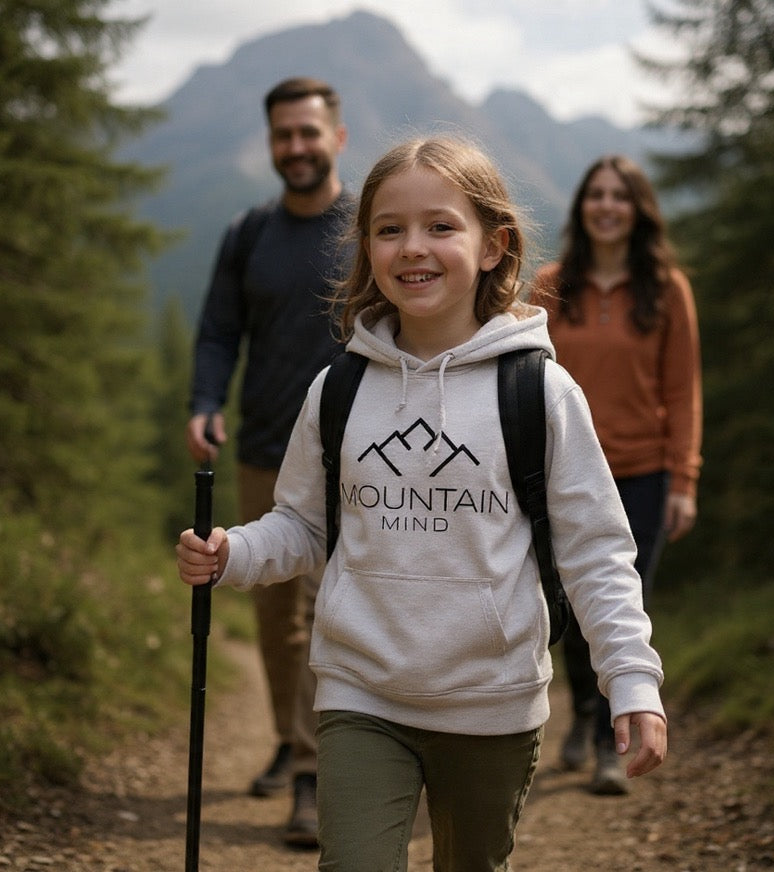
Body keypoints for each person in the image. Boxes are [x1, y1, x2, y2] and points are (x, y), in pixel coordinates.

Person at [177, 136, 668, 871]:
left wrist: (631, 676)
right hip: (359, 693)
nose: (414, 248)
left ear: (495, 245)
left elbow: (595, 549)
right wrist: (235, 553)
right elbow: (304, 524)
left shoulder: (538, 392)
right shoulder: (339, 389)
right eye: (389, 228)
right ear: (366, 247)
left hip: (491, 702)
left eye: (441, 226)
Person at [185, 76, 355, 847]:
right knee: (275, 618)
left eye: (308, 133)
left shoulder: (370, 228)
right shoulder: (248, 233)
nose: (296, 148)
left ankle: (315, 778)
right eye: (284, 135)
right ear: (272, 144)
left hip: (356, 454)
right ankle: (291, 743)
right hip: (262, 450)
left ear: (337, 138)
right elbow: (219, 330)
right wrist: (205, 398)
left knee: (323, 614)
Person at [530, 154, 701, 795]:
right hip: (563, 474)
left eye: (619, 196)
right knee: (569, 606)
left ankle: (607, 741)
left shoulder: (667, 289)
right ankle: (579, 717)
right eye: (595, 194)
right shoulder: (551, 284)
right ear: (582, 208)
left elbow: (683, 393)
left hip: (645, 473)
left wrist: (684, 481)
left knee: (624, 602)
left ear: (637, 209)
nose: (606, 205)